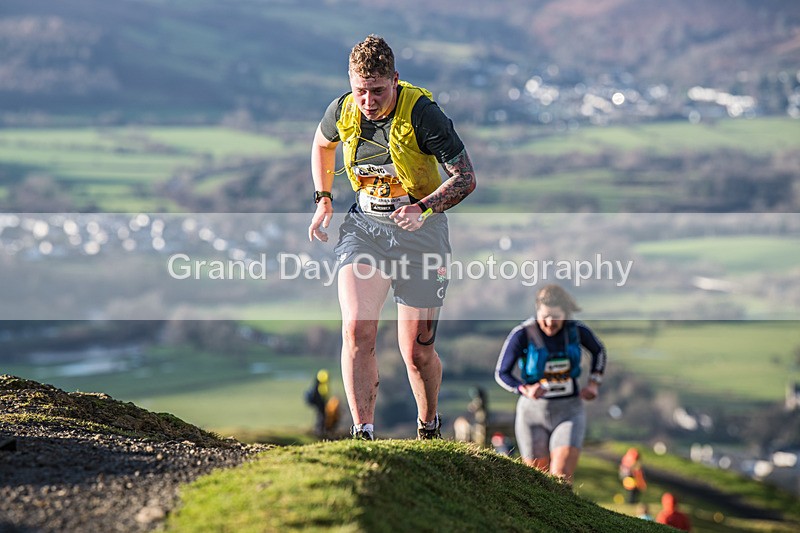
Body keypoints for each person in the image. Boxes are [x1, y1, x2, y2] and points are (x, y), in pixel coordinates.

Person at [308, 35, 477, 441]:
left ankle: (428, 426)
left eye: (378, 91)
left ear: (395, 81)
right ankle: (363, 433)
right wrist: (324, 199)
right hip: (365, 229)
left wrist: (423, 209)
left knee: (416, 353)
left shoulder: (423, 114)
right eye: (360, 90)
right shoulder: (342, 109)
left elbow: (466, 178)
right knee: (356, 330)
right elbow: (321, 145)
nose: (367, 100)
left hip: (422, 235)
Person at [494, 284, 607, 484]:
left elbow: (599, 351)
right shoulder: (523, 334)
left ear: (566, 314)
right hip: (532, 415)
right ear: (537, 311)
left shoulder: (576, 331)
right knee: (537, 481)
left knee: (561, 477)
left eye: (556, 316)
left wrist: (593, 383)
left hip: (569, 412)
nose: (550, 322)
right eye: (544, 316)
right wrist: (524, 389)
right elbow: (502, 373)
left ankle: (565, 514)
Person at [304, 369, 330, 438]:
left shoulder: (319, 384)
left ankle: (320, 430)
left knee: (321, 415)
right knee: (321, 416)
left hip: (320, 403)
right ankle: (319, 430)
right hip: (319, 403)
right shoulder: (319, 386)